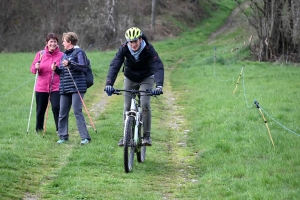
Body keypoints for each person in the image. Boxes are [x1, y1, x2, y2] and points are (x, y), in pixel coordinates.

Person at [104, 27, 164, 146]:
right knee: (127, 107)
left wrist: (159, 86)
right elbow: (115, 65)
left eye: (135, 41)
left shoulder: (148, 49)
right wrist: (109, 84)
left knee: (145, 103)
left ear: (140, 39)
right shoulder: (124, 48)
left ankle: (146, 135)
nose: (133, 44)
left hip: (146, 77)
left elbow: (157, 66)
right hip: (130, 77)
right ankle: (126, 137)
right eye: (130, 42)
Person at [52, 32, 91, 145]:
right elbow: (62, 72)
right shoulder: (64, 55)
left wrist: (70, 63)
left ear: (69, 42)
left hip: (77, 87)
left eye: (64, 41)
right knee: (62, 112)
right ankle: (63, 136)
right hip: (65, 87)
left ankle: (85, 138)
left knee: (77, 111)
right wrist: (56, 69)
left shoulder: (79, 52)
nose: (62, 43)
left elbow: (83, 67)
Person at [30, 33, 63, 134]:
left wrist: (56, 69)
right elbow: (32, 69)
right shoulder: (40, 54)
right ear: (47, 43)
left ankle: (59, 129)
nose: (53, 44)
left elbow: (63, 71)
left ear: (57, 43)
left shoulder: (62, 55)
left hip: (56, 87)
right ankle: (39, 129)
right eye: (51, 42)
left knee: (57, 107)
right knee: (40, 110)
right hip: (41, 87)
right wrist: (36, 67)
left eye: (55, 42)